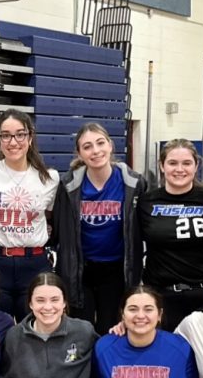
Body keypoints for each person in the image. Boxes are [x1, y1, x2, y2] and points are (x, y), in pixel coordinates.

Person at [0, 109, 60, 320]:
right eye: (5, 135)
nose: (13, 141)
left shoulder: (49, 178)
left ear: (30, 137)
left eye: (20, 134)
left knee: (35, 329)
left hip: (34, 263)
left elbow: (52, 217)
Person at [51, 122, 147, 335]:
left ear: (111, 146)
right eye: (87, 146)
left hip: (116, 270)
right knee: (80, 331)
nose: (95, 151)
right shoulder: (68, 186)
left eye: (100, 143)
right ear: (79, 153)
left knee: (111, 329)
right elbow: (57, 229)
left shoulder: (134, 183)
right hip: (80, 270)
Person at [138, 138, 203, 331]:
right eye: (172, 163)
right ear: (161, 166)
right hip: (162, 296)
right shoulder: (147, 202)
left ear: (196, 166)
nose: (179, 169)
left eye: (186, 163)